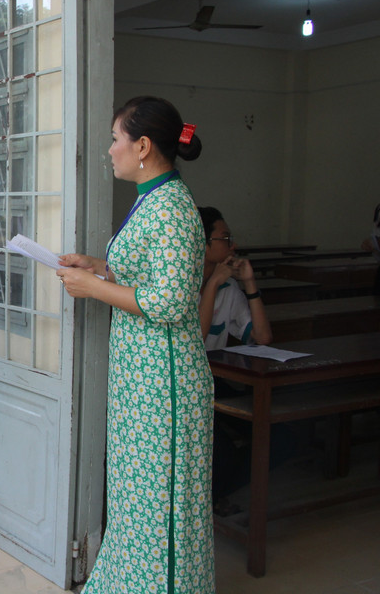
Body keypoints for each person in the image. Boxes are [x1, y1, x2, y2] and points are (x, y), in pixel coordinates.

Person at [57, 96, 214, 593]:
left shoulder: (171, 208)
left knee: (159, 509)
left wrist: (95, 289)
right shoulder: (152, 198)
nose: (109, 150)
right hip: (141, 379)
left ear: (142, 146)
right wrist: (98, 267)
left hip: (163, 385)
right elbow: (146, 275)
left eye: (115, 139)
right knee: (134, 501)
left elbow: (169, 301)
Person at [198, 206, 272, 350]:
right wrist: (213, 284)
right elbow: (193, 345)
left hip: (214, 372)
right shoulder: (179, 288)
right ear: (202, 244)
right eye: (226, 238)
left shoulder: (228, 287)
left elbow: (263, 337)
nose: (234, 245)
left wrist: (250, 283)